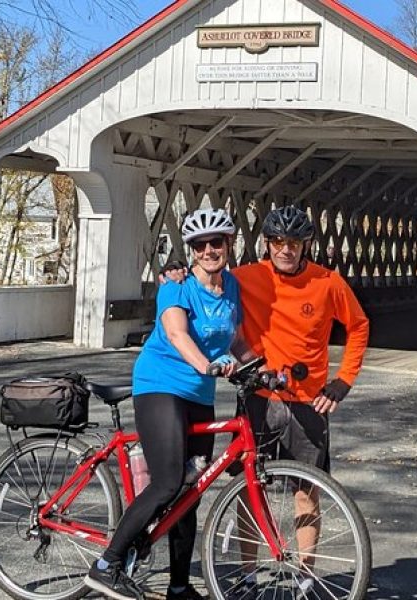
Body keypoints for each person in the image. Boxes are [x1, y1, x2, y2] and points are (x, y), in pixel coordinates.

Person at [165, 205, 370, 595]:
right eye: (277, 242)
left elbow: (359, 326)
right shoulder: (246, 278)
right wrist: (175, 270)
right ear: (266, 244)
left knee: (306, 491)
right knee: (247, 488)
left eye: (293, 242)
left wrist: (343, 381)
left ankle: (305, 576)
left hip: (309, 401)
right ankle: (248, 572)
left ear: (305, 244)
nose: (285, 250)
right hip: (259, 397)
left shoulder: (328, 282)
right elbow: (204, 277)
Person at [85, 208, 247, 600]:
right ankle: (105, 566)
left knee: (190, 492)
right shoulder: (176, 286)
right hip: (161, 385)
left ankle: (178, 587)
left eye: (217, 242)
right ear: (191, 252)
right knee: (168, 481)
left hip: (199, 394)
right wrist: (206, 364)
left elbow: (236, 340)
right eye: (200, 245)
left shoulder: (232, 287)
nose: (209, 250)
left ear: (229, 245)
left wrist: (257, 367)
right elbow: (176, 333)